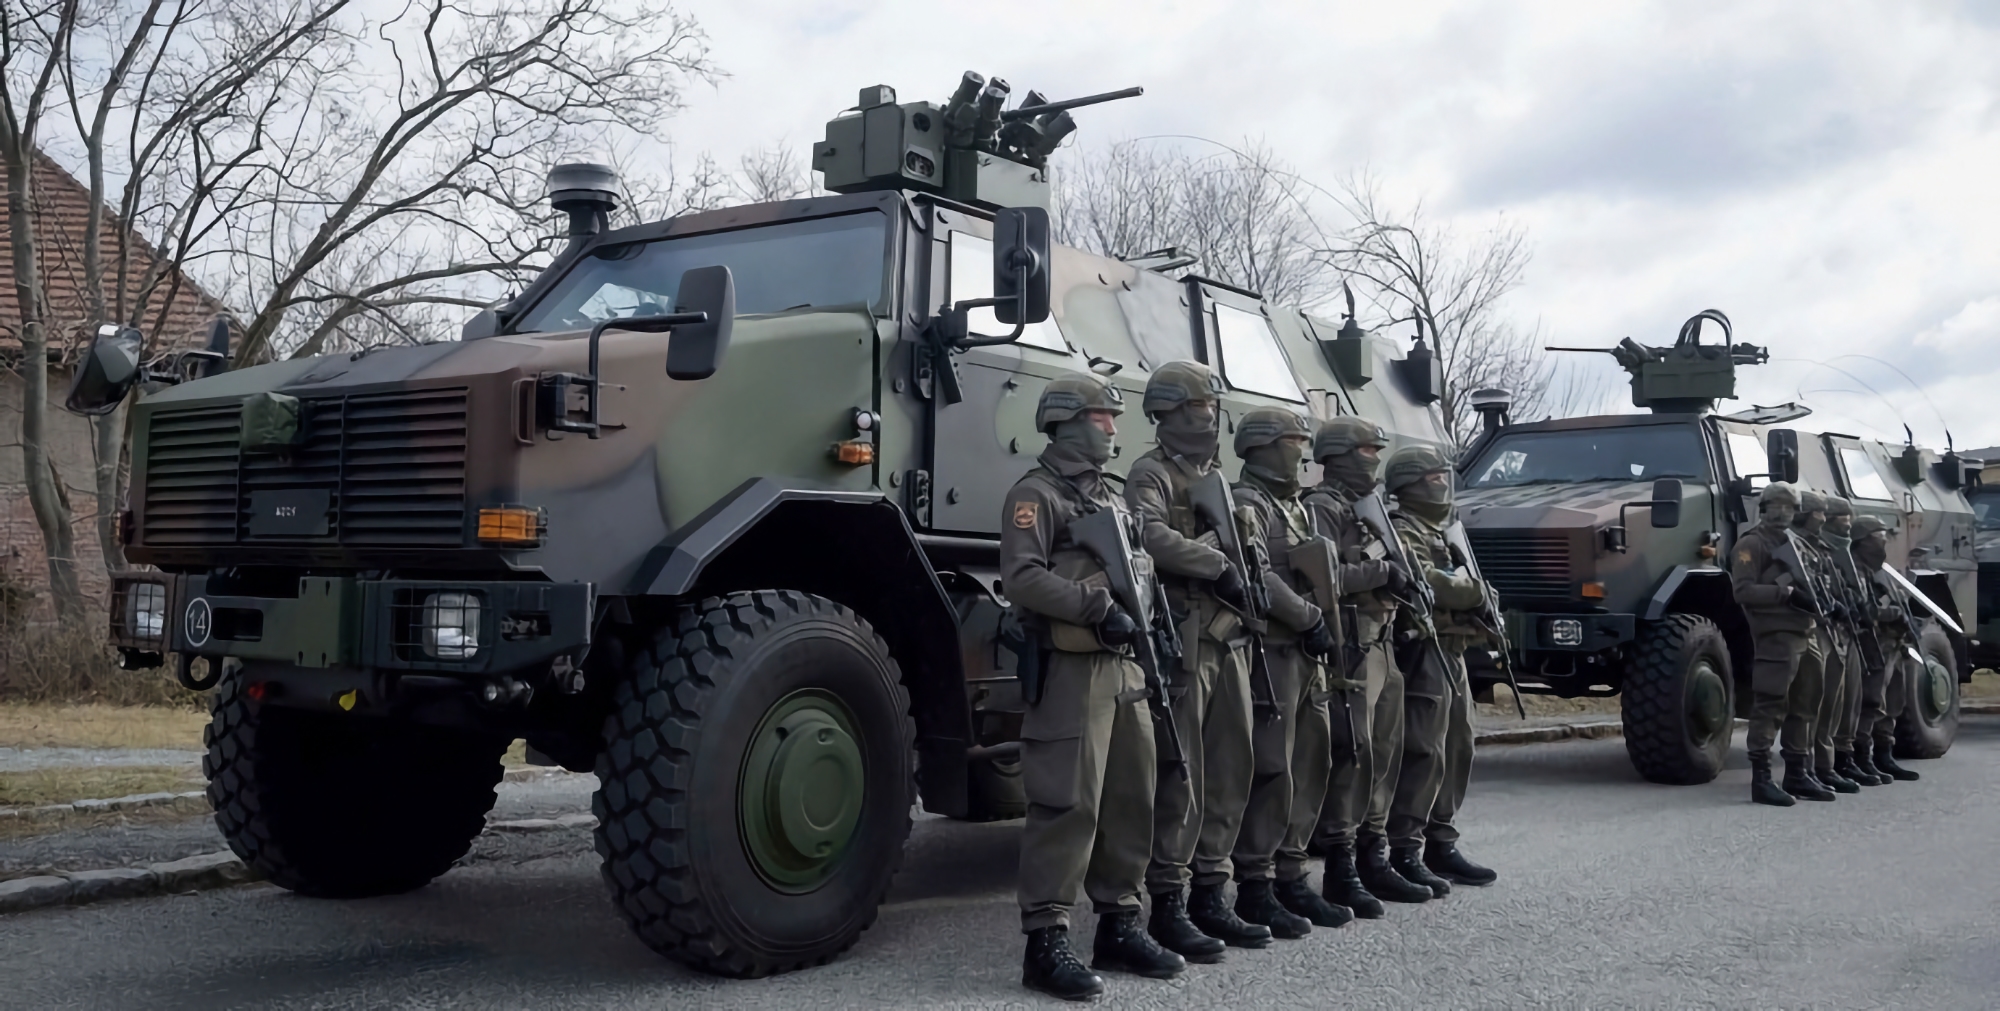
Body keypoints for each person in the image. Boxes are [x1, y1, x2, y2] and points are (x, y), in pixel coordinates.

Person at [1001, 373, 1182, 1000]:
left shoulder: (1113, 495)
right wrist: (1093, 607)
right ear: (1072, 420)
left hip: (1128, 664)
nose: (1113, 426)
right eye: (1105, 416)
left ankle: (1120, 924)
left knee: (1131, 796)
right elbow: (1022, 577)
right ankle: (1045, 942)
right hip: (1073, 669)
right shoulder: (1037, 493)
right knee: (1067, 803)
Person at [1124, 361, 1267, 959]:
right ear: (1170, 413)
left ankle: (1212, 891)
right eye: (1199, 407)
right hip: (1184, 636)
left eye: (1210, 407)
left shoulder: (1221, 480)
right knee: (1182, 774)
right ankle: (1170, 901)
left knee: (1232, 765)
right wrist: (1217, 563)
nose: (1209, 417)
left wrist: (1247, 558)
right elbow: (1148, 537)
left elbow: (1251, 547)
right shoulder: (1150, 473)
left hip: (1229, 635)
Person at [1226, 408, 1347, 938]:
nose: (1302, 451)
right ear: (1264, 446)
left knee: (1309, 762)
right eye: (1294, 441)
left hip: (1306, 652)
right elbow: (1261, 574)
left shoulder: (1293, 505)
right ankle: (1256, 882)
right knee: (1273, 769)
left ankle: (1292, 874)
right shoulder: (1247, 501)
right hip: (1274, 650)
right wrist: (1308, 617)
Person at [1302, 418, 1428, 915]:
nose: (1374, 458)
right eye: (1366, 450)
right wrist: (1382, 571)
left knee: (1383, 753)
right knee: (1350, 756)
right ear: (1339, 454)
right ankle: (1341, 862)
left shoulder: (1369, 510)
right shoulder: (1322, 508)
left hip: (1381, 641)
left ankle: (1374, 853)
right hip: (1349, 644)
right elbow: (1322, 575)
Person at [1383, 445, 1497, 890]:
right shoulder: (1401, 529)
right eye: (1432, 478)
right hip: (1422, 647)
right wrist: (1473, 592)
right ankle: (1405, 845)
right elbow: (1426, 582)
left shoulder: (1443, 530)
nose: (1441, 484)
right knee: (1424, 748)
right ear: (1409, 485)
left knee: (1458, 744)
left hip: (1452, 648)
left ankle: (1441, 841)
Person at [1729, 481, 1829, 806]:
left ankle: (1797, 773)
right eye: (1777, 505)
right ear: (1764, 508)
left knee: (1806, 704)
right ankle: (1761, 779)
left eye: (1789, 507)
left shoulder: (1796, 544)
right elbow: (1742, 591)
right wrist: (1783, 593)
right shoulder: (1751, 544)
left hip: (1805, 631)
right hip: (1776, 636)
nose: (1784, 512)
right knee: (1770, 706)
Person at [1794, 490, 1857, 795]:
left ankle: (1825, 766)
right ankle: (1808, 767)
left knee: (1833, 700)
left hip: (1831, 628)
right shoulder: (1793, 546)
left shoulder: (1819, 547)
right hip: (1813, 628)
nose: (1823, 519)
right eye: (1819, 514)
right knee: (1814, 700)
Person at [1850, 514, 1922, 782]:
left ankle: (1884, 754)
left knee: (1893, 702)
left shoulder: (1882, 571)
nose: (1883, 544)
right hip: (1873, 644)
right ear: (1863, 541)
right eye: (1879, 538)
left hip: (1893, 646)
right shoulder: (1854, 570)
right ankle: (1863, 756)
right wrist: (1893, 614)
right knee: (1871, 702)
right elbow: (1865, 610)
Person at [1813, 495, 1871, 789]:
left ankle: (1844, 756)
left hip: (1848, 633)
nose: (1846, 528)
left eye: (1849, 522)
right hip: (1826, 631)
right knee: (1828, 701)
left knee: (1850, 698)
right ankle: (1823, 763)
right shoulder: (1818, 550)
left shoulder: (1846, 552)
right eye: (1841, 522)